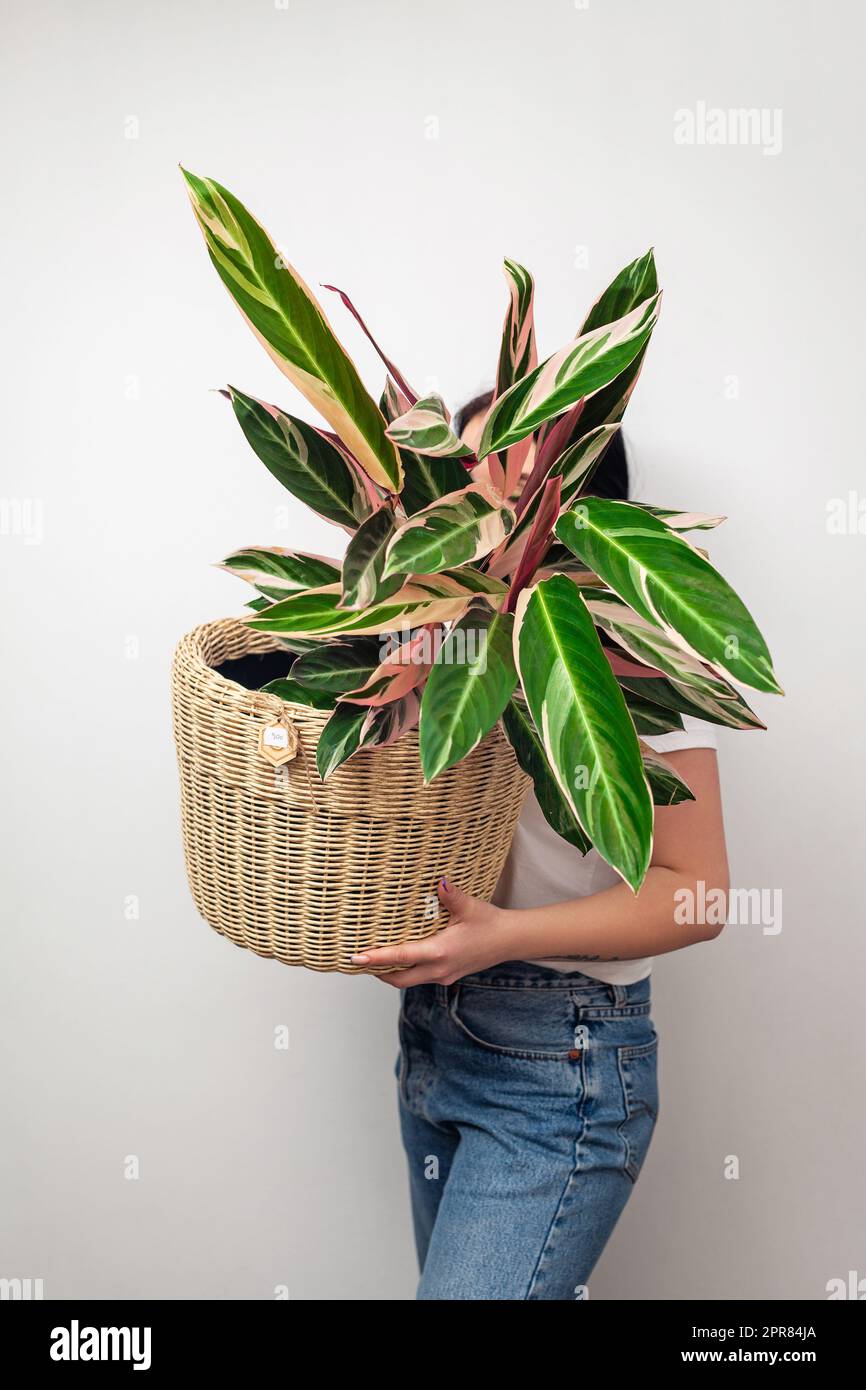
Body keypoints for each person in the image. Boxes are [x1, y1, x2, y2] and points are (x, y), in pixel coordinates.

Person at [351, 392, 729, 1300]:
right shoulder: (440, 641)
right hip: (438, 1034)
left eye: (490, 486)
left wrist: (502, 939)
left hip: (560, 1062)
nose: (461, 511)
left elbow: (701, 894)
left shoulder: (638, 651)